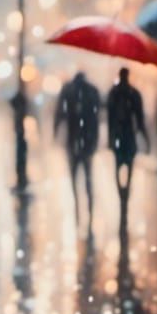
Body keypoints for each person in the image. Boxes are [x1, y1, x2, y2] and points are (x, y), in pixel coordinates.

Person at [54, 72, 101, 226]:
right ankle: (89, 210)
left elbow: (59, 114)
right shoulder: (91, 91)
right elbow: (96, 118)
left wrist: (56, 132)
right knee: (88, 178)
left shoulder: (68, 91)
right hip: (86, 142)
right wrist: (94, 140)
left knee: (75, 178)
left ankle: (78, 211)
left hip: (73, 141)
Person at [106, 67, 150, 213]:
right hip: (128, 137)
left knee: (118, 167)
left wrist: (111, 138)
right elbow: (140, 120)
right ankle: (125, 194)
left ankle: (122, 194)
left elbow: (110, 119)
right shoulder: (133, 93)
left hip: (120, 137)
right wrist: (145, 138)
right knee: (128, 168)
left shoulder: (114, 93)